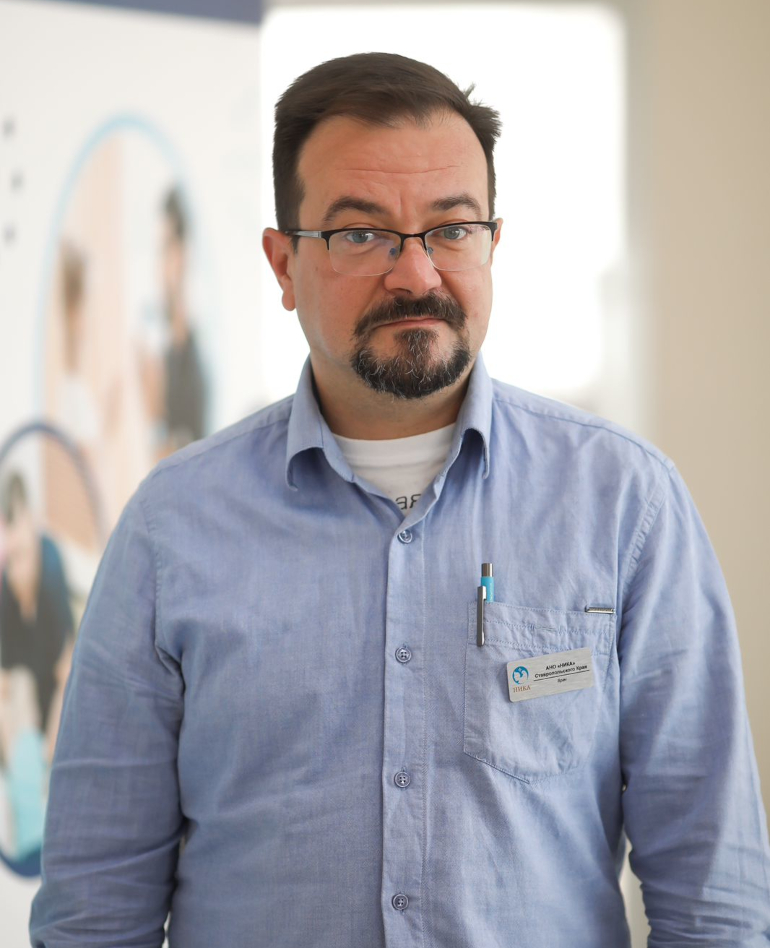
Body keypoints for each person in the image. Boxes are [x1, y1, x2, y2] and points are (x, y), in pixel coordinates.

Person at [30, 53, 770, 947]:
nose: (416, 275)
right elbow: (95, 909)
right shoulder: (171, 528)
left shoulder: (625, 506)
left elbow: (714, 896)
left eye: (451, 229)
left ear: (493, 243)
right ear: (282, 263)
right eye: (361, 233)